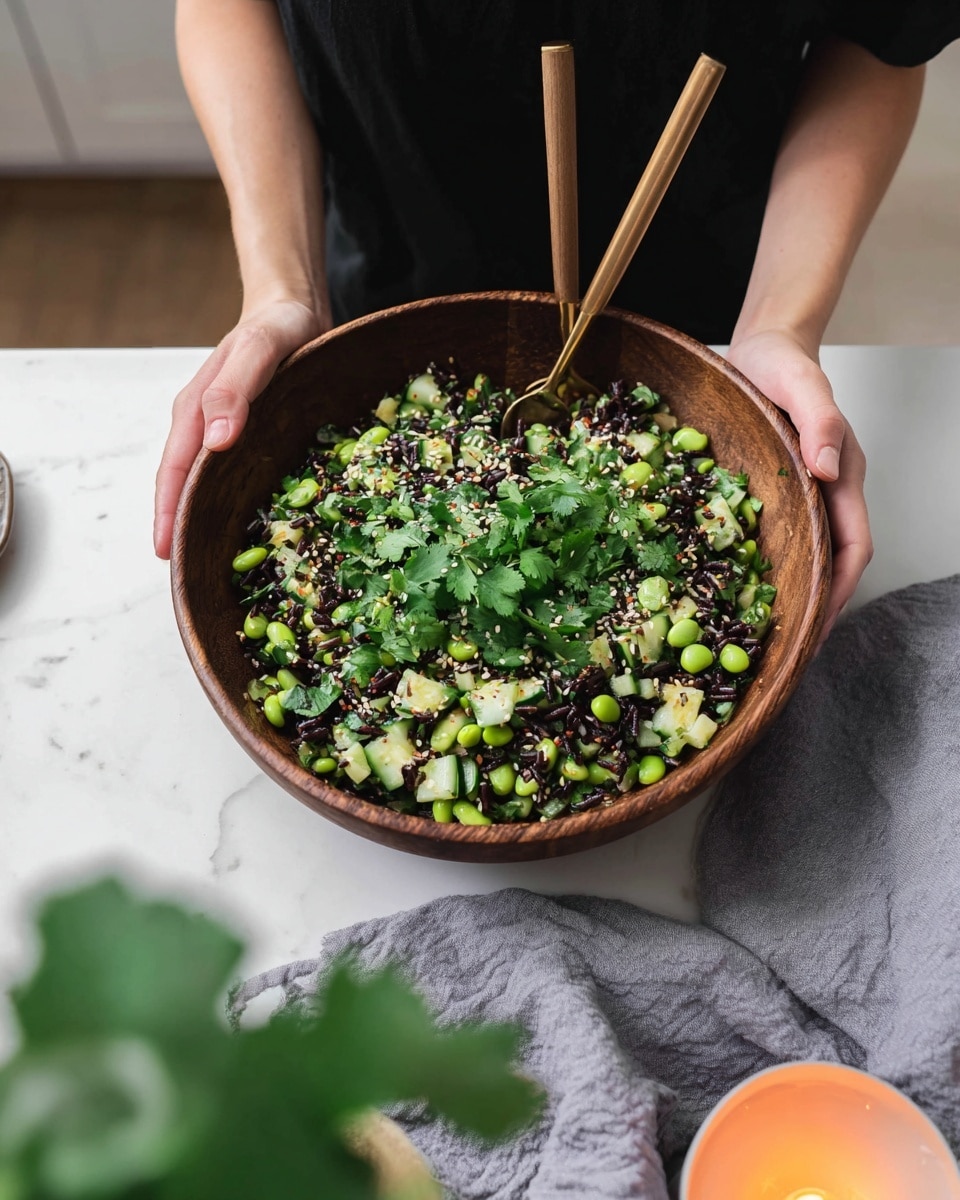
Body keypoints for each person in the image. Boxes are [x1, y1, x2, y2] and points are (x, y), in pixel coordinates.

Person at [153, 0, 959, 644]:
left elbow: (882, 34)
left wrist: (779, 322)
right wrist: (280, 291)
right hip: (388, 279)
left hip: (707, 304)